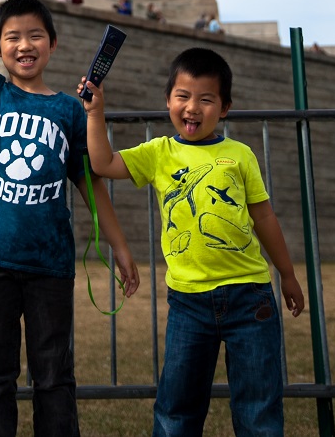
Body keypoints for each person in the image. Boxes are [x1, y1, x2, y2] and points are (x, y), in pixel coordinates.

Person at [0, 0, 139, 437]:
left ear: (52, 44)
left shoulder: (70, 111)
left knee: (54, 378)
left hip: (49, 265)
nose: (24, 44)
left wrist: (120, 246)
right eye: (12, 37)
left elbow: (91, 185)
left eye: (35, 35)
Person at [80, 46, 304, 437]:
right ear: (168, 100)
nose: (192, 107)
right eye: (183, 96)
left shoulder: (240, 155)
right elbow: (102, 164)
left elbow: (265, 217)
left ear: (225, 108)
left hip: (250, 296)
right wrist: (95, 113)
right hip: (188, 303)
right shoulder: (158, 153)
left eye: (206, 99)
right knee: (177, 410)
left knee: (258, 409)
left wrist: (286, 274)